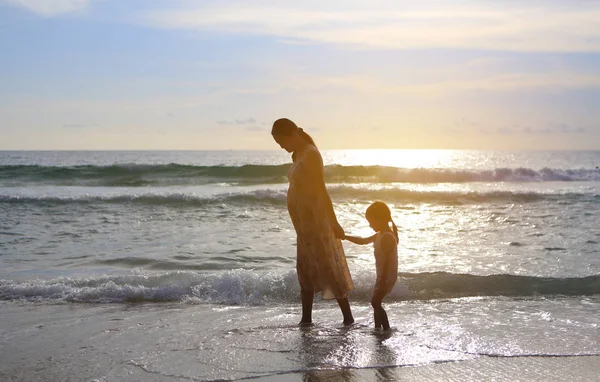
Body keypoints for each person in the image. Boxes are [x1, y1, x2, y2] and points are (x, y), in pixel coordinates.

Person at [271, 118, 354, 326]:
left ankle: (348, 318)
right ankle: (306, 320)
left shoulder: (311, 155)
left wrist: (334, 223)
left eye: (281, 141)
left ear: (291, 134)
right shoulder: (299, 155)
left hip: (316, 224)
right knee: (305, 271)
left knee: (328, 269)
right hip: (304, 227)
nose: (281, 147)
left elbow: (321, 191)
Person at [343, 202, 398, 330]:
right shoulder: (380, 235)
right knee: (376, 303)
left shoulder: (387, 238)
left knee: (375, 302)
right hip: (382, 275)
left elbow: (386, 263)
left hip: (387, 276)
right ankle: (378, 328)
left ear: (380, 219)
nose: (370, 224)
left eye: (371, 221)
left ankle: (386, 329)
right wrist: (344, 237)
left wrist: (383, 281)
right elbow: (362, 241)